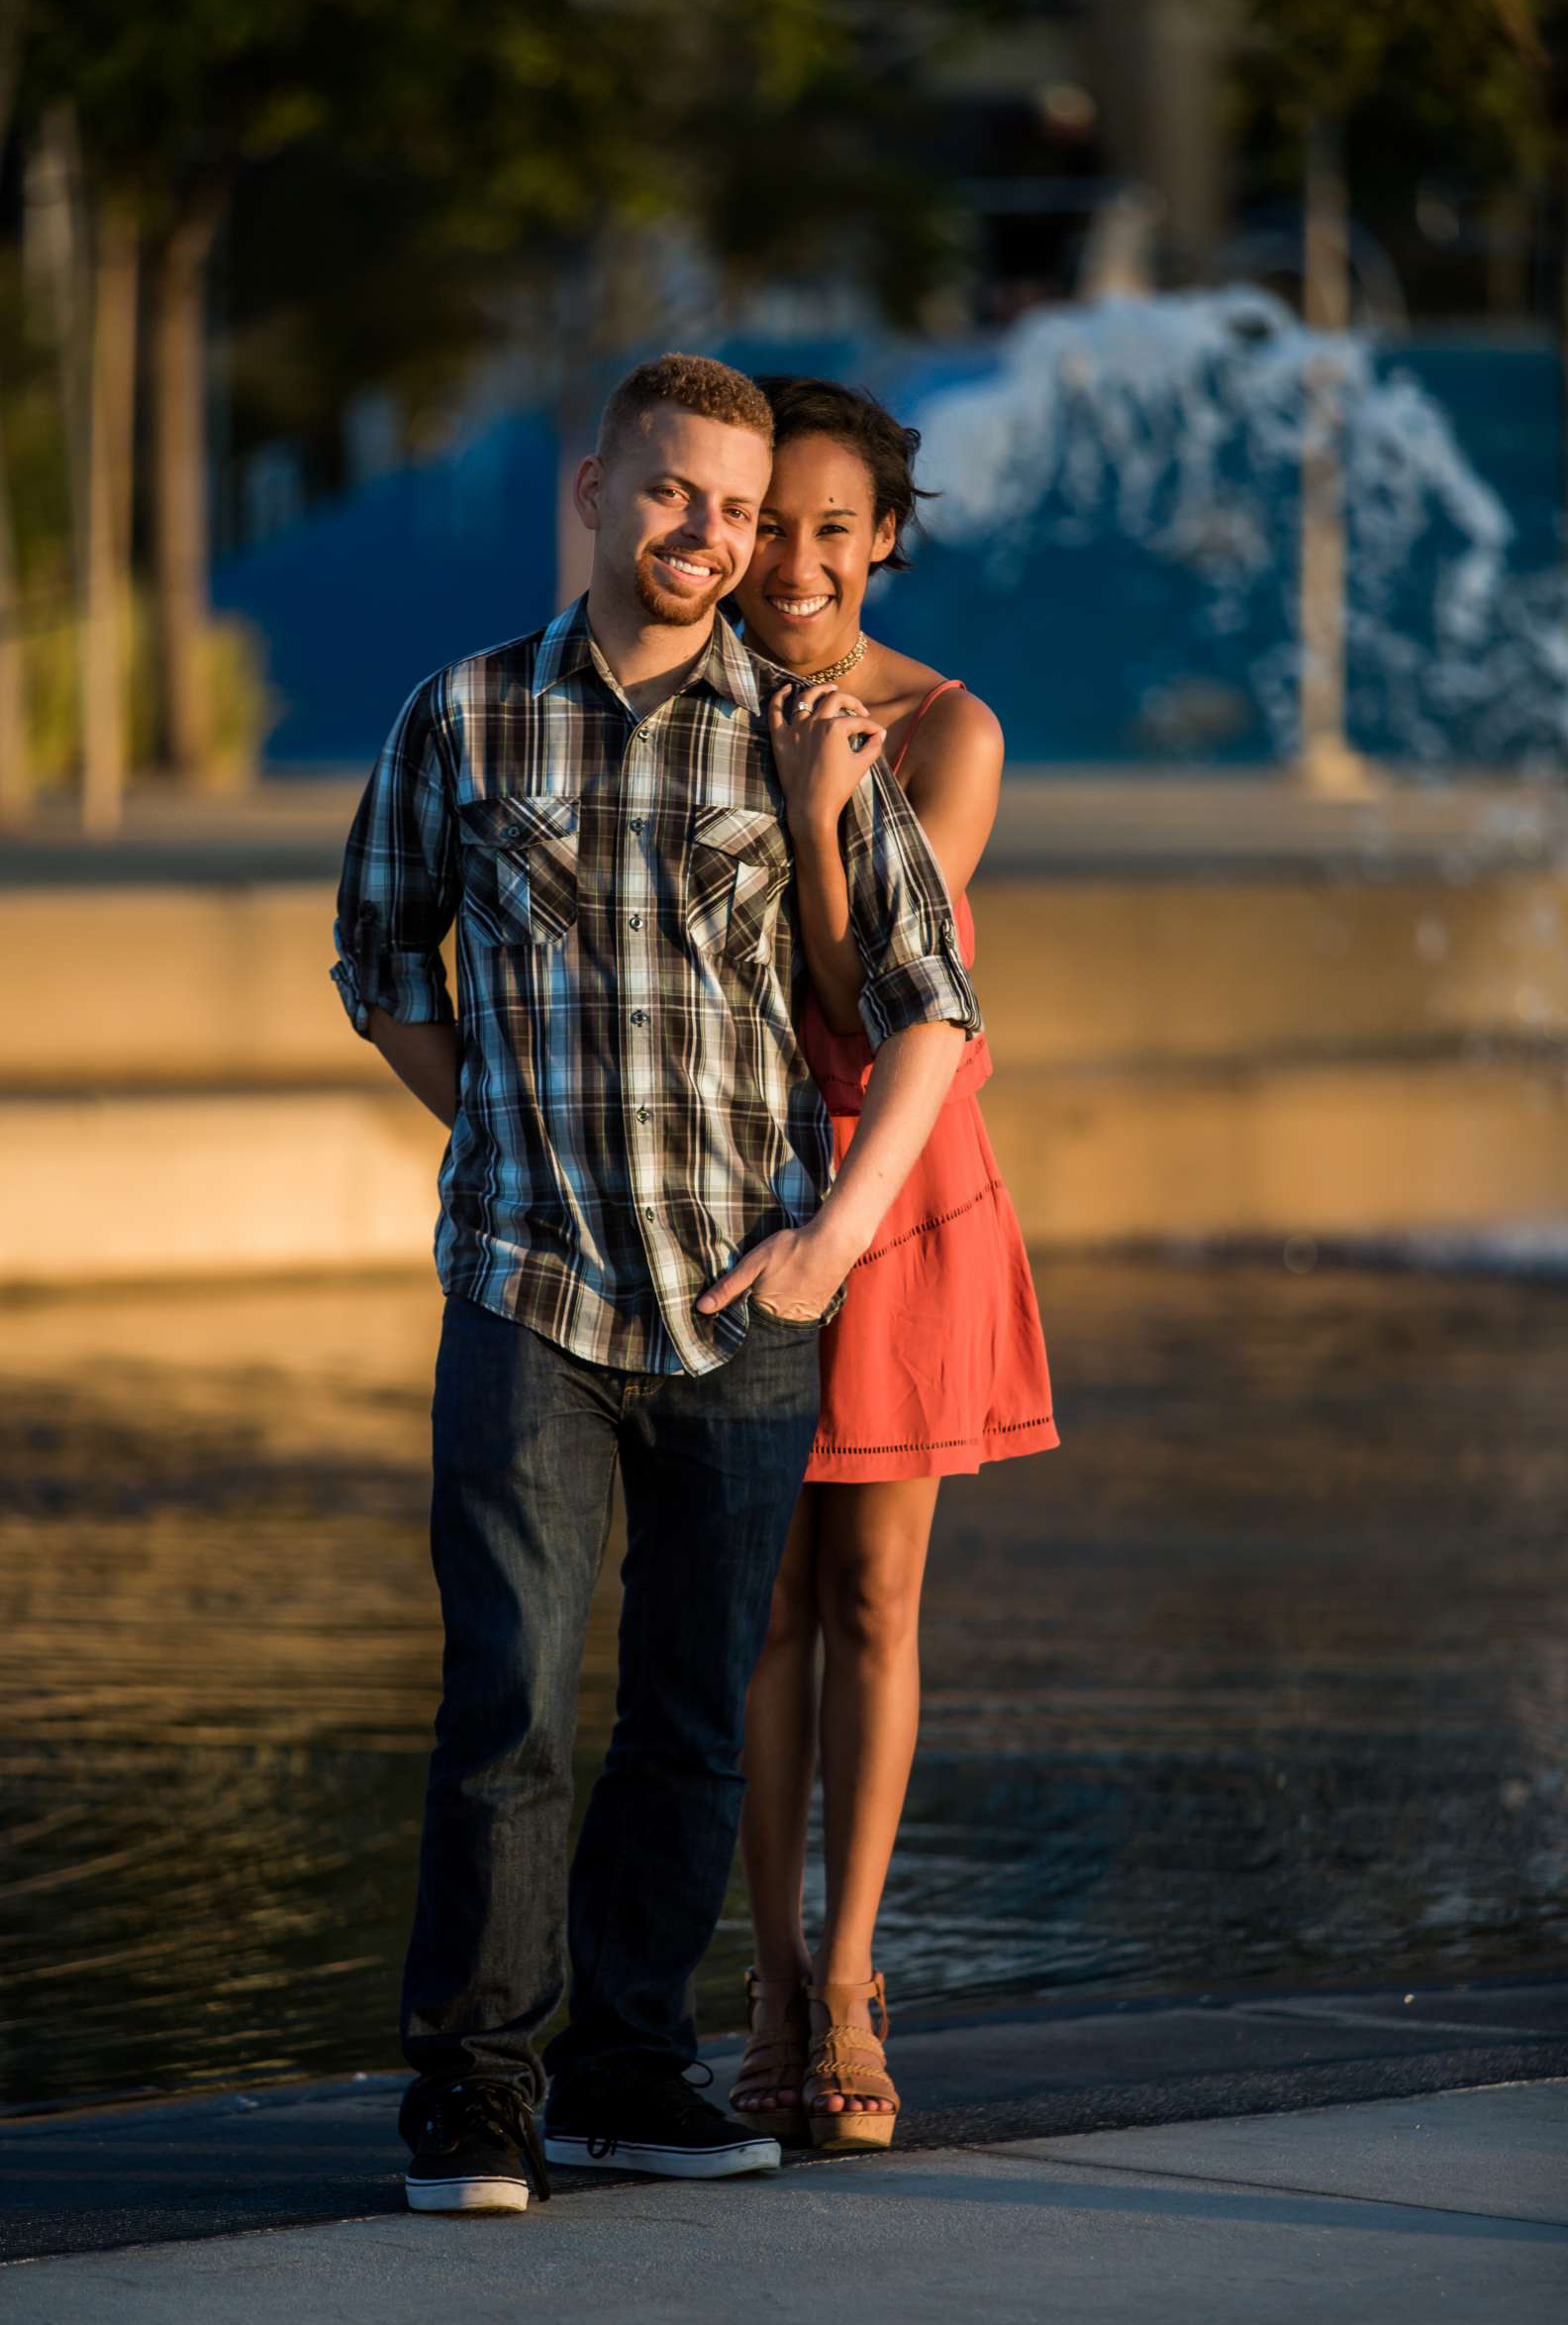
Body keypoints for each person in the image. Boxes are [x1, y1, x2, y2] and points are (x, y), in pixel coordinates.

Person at [330, 354, 983, 2211]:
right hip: (528, 1292)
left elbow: (933, 1004)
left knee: (692, 1718)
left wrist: (838, 1236)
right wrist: (496, 1130)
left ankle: (632, 2066)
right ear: (598, 486)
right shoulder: (458, 718)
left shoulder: (798, 732)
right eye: (675, 494)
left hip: (744, 1309)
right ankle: (477, 2094)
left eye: (739, 505)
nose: (710, 536)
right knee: (511, 1703)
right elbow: (382, 962)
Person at [726, 376, 1058, 2154]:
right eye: (765, 521)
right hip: (729, 1201)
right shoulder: (688, 697)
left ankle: (849, 1977)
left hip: (902, 1191)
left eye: (829, 529)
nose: (790, 561)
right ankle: (763, 1976)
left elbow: (873, 1007)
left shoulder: (947, 730)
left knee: (873, 1597)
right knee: (758, 1603)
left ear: (886, 541)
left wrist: (806, 809)